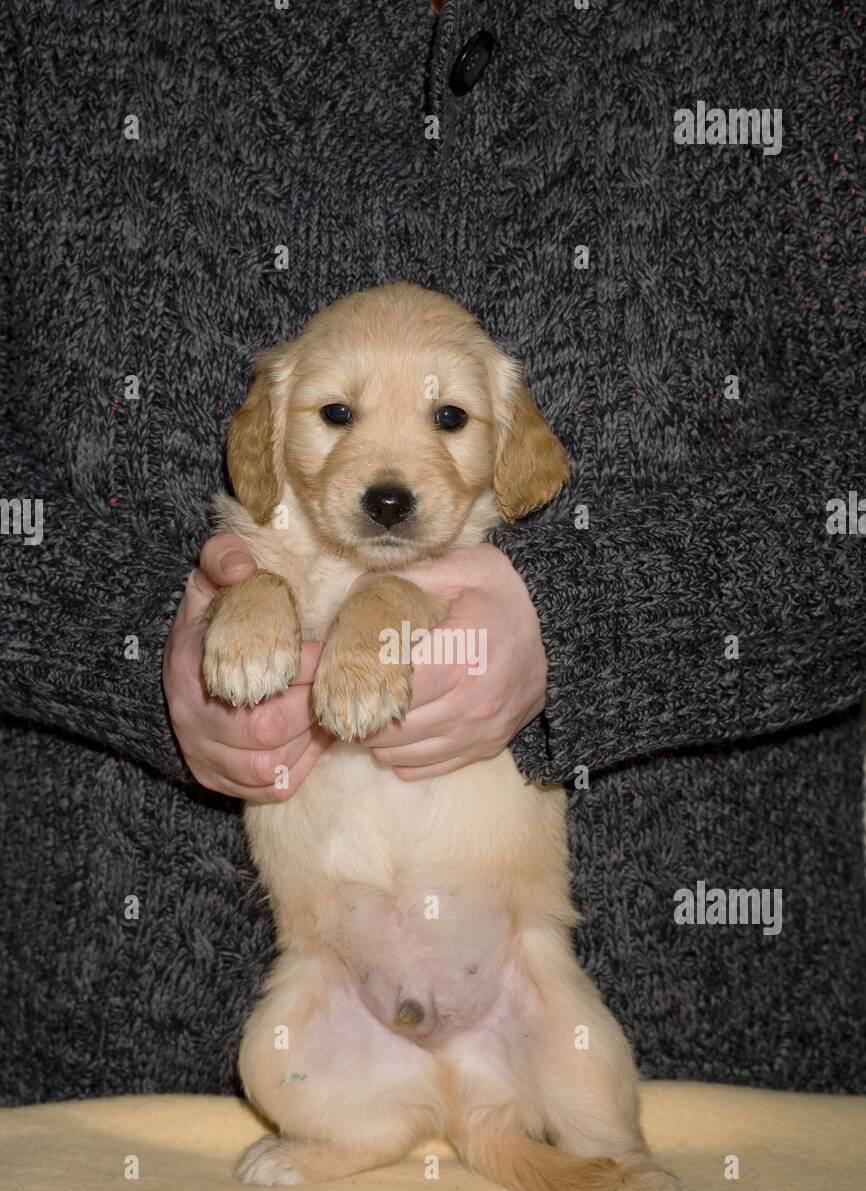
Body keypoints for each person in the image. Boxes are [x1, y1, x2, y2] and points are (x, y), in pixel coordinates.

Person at [2, 0, 864, 1107]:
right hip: (103, 1072)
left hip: (716, 1053)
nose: (390, 474)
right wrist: (124, 635)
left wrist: (603, 620)